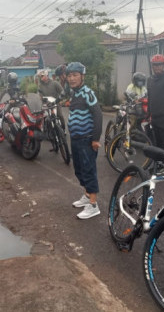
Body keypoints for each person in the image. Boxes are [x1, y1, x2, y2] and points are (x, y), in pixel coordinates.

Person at [66, 62, 103, 219]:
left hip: (87, 140)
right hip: (75, 139)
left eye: (75, 75)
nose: (72, 78)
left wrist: (95, 139)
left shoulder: (88, 93)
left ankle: (93, 205)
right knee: (79, 170)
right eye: (69, 75)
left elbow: (98, 115)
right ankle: (87, 196)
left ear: (82, 76)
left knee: (88, 171)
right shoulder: (75, 93)